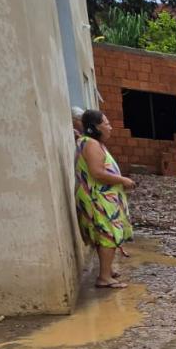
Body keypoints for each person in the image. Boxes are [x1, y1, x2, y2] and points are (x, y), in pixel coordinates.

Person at [74, 109, 134, 289]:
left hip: (101, 196)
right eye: (106, 124)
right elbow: (97, 173)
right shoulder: (91, 144)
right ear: (95, 127)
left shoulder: (90, 143)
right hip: (98, 197)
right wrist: (123, 180)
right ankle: (104, 277)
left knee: (105, 234)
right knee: (108, 234)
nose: (110, 128)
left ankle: (106, 271)